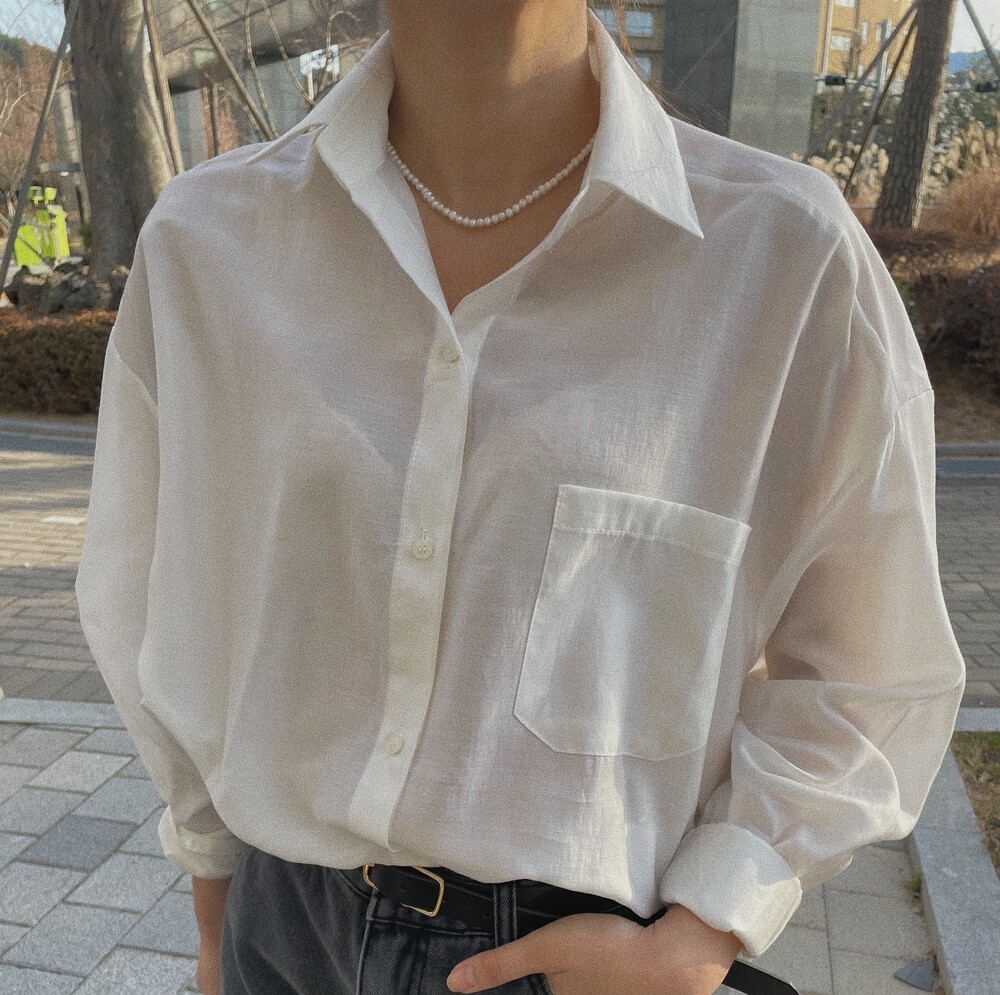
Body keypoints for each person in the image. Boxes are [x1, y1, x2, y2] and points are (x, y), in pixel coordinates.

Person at [74, 1, 967, 993]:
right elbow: (169, 604)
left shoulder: (780, 255)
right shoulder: (212, 240)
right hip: (284, 927)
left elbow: (872, 663)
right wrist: (216, 917)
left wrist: (708, 921)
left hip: (575, 952)